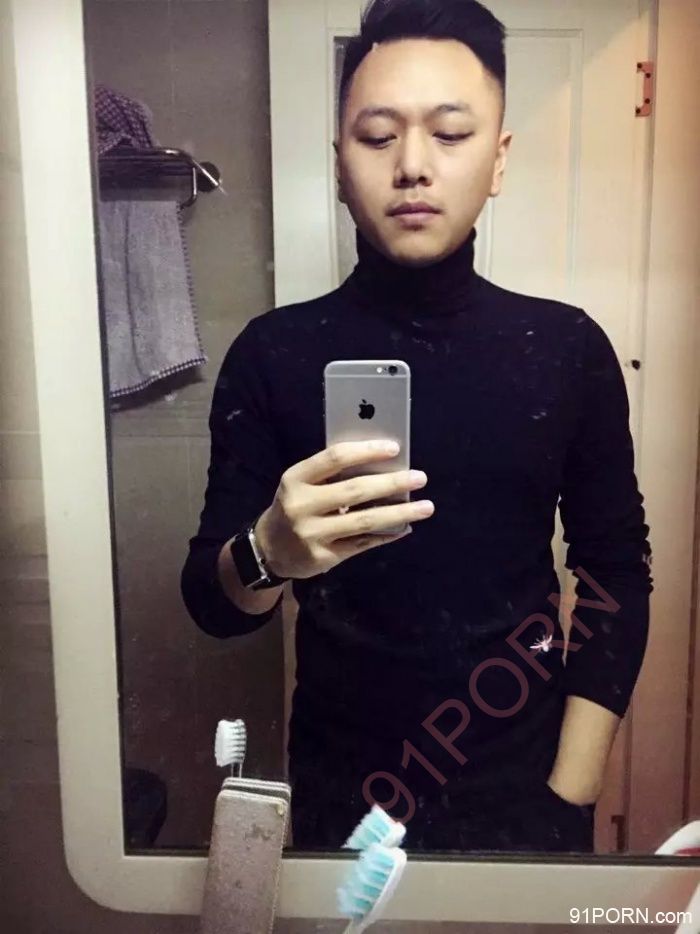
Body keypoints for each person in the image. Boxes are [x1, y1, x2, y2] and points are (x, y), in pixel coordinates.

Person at [181, 0, 653, 854]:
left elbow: (616, 575)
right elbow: (215, 608)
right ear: (339, 165)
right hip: (336, 807)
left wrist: (571, 795)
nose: (412, 166)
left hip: (527, 803)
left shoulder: (566, 349)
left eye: (450, 133)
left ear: (498, 159)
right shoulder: (274, 353)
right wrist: (267, 551)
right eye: (377, 135)